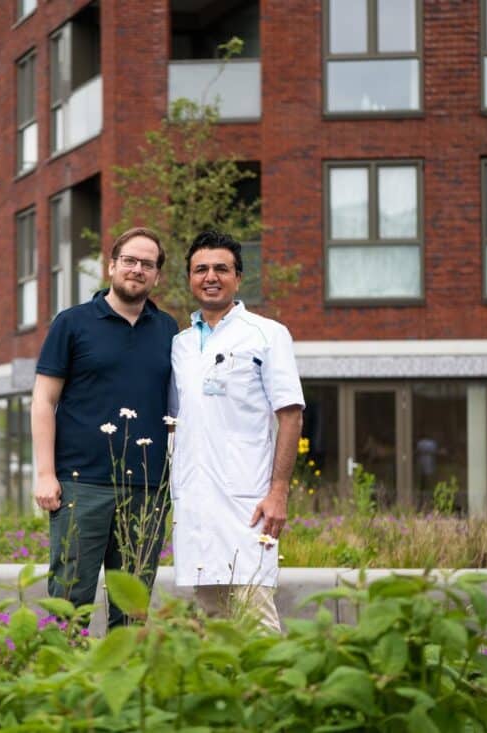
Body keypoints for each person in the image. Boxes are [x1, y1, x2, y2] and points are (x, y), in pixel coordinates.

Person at [32, 227, 179, 628]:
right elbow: (44, 400)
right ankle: (61, 684)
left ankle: (126, 686)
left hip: (147, 489)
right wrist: (46, 474)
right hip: (82, 484)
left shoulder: (169, 330)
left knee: (132, 609)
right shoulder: (73, 323)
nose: (137, 269)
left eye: (147, 264)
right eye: (129, 260)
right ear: (112, 266)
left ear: (157, 276)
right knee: (69, 602)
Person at [169, 230, 305, 633]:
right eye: (201, 269)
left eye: (221, 269)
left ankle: (273, 695)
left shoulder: (266, 334)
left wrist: (278, 491)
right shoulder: (180, 344)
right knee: (211, 622)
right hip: (195, 503)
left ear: (238, 278)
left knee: (256, 619)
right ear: (190, 279)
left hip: (249, 502)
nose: (211, 276)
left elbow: (291, 414)